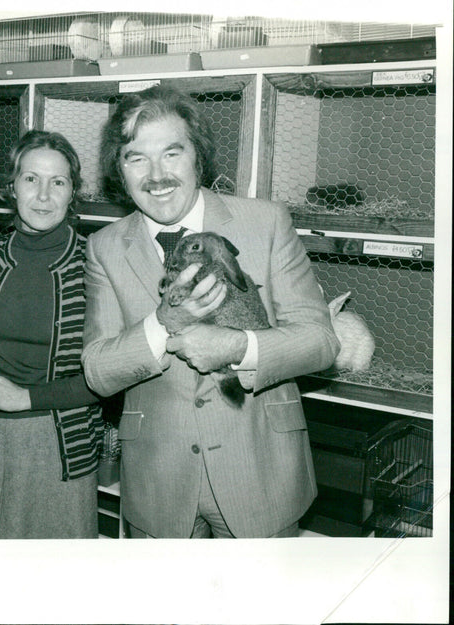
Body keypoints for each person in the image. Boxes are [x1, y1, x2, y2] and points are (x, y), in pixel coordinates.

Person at [81, 85, 340, 539]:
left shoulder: (266, 222)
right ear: (118, 171)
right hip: (158, 478)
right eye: (135, 158)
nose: (156, 175)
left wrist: (239, 346)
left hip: (260, 470)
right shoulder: (104, 248)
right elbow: (98, 371)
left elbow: (321, 341)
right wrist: (166, 323)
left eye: (172, 153)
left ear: (198, 157)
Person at [0, 130, 103, 539]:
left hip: (57, 444)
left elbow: (108, 377)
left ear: (72, 193)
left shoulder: (96, 265)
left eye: (58, 182)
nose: (43, 195)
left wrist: (25, 398)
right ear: (11, 187)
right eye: (31, 179)